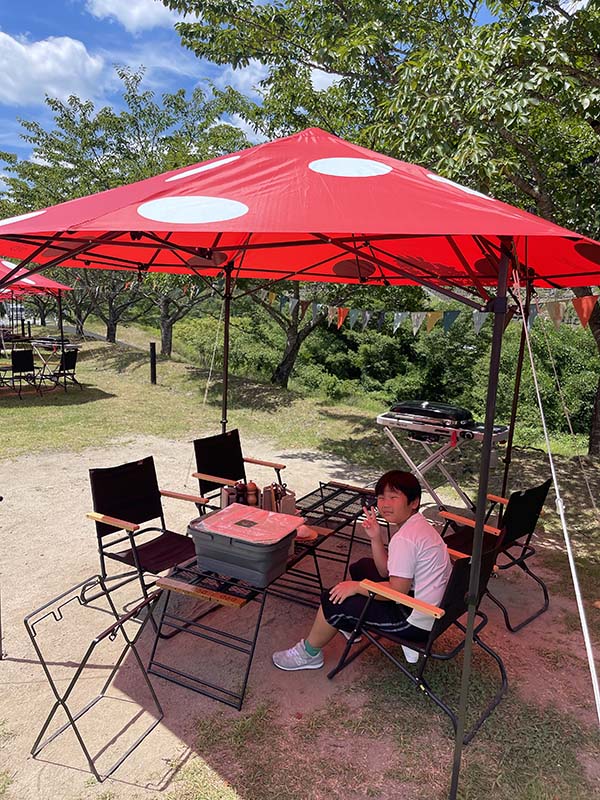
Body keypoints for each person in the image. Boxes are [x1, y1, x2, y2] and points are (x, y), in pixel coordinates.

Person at [272, 470, 452, 671]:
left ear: (414, 502)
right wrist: (376, 537)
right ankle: (352, 628)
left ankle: (309, 653)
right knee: (362, 567)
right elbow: (385, 572)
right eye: (381, 497)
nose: (385, 504)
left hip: (415, 622)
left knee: (333, 599)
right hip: (431, 609)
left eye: (394, 497)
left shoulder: (406, 539)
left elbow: (398, 590)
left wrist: (356, 587)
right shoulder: (418, 526)